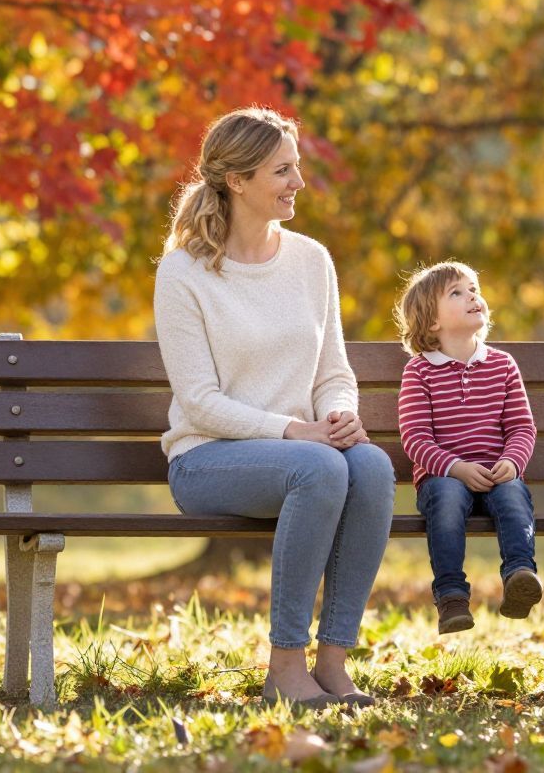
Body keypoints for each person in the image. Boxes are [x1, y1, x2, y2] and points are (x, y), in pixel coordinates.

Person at [154, 107, 393, 708]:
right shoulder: (184, 272)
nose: (298, 183)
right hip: (208, 460)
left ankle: (333, 663)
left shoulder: (312, 260)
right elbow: (200, 403)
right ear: (237, 180)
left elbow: (333, 372)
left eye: (297, 167)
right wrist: (294, 431)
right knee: (321, 466)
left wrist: (338, 414)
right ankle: (285, 665)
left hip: (305, 452)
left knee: (371, 466)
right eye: (282, 171)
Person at [393, 261, 541, 635]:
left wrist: (512, 461)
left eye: (473, 289)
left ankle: (519, 575)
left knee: (513, 495)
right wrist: (456, 468)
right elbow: (415, 438)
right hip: (444, 477)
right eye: (456, 293)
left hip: (495, 473)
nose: (472, 296)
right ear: (432, 323)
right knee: (446, 499)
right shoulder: (419, 371)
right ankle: (452, 596)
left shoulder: (502, 365)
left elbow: (521, 427)